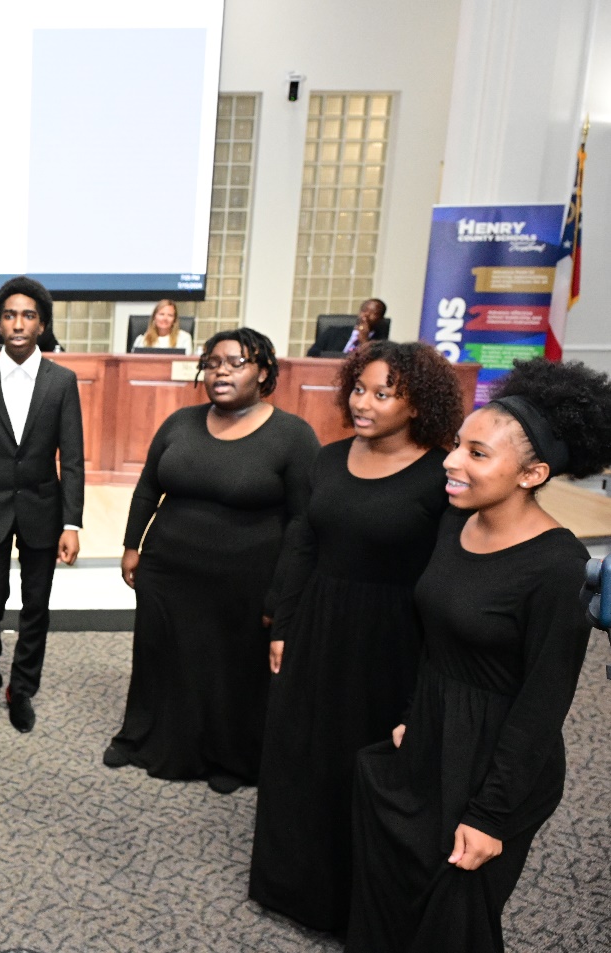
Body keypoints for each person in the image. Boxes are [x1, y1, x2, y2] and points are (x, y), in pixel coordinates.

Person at [347, 358, 611, 953]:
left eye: (478, 453)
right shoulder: (455, 521)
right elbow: (436, 636)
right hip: (434, 731)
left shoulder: (557, 566)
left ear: (532, 473)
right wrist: (416, 712)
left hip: (499, 756)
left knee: (454, 915)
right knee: (397, 885)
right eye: (459, 444)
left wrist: (491, 815)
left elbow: (544, 702)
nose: (451, 460)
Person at [249, 341, 464, 932]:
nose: (363, 403)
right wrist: (283, 623)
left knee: (365, 763)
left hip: (392, 639)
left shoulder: (441, 474)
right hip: (318, 622)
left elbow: (446, 574)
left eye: (383, 394)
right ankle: (291, 885)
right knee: (300, 751)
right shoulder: (328, 459)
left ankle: (355, 901)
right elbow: (304, 545)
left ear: (417, 404)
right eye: (359, 389)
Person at [105, 328, 318, 793]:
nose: (220, 371)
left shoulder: (293, 436)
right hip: (168, 569)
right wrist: (131, 545)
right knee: (159, 656)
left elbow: (304, 523)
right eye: (213, 362)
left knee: (230, 669)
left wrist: (283, 592)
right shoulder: (180, 423)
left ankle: (230, 758)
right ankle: (142, 736)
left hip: (244, 580)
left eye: (235, 362)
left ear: (263, 371)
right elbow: (147, 488)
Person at [0, 276, 84, 734]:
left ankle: (21, 689)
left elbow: (74, 457)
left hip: (43, 510)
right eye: (9, 315)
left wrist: (73, 523)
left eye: (28, 315)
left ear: (42, 324)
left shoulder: (63, 381)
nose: (18, 323)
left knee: (36, 608)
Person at [306, 298, 389, 356]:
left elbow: (375, 365)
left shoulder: (382, 344)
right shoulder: (333, 332)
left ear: (380, 319)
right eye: (364, 310)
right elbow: (312, 353)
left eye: (373, 313)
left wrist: (364, 341)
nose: (366, 314)